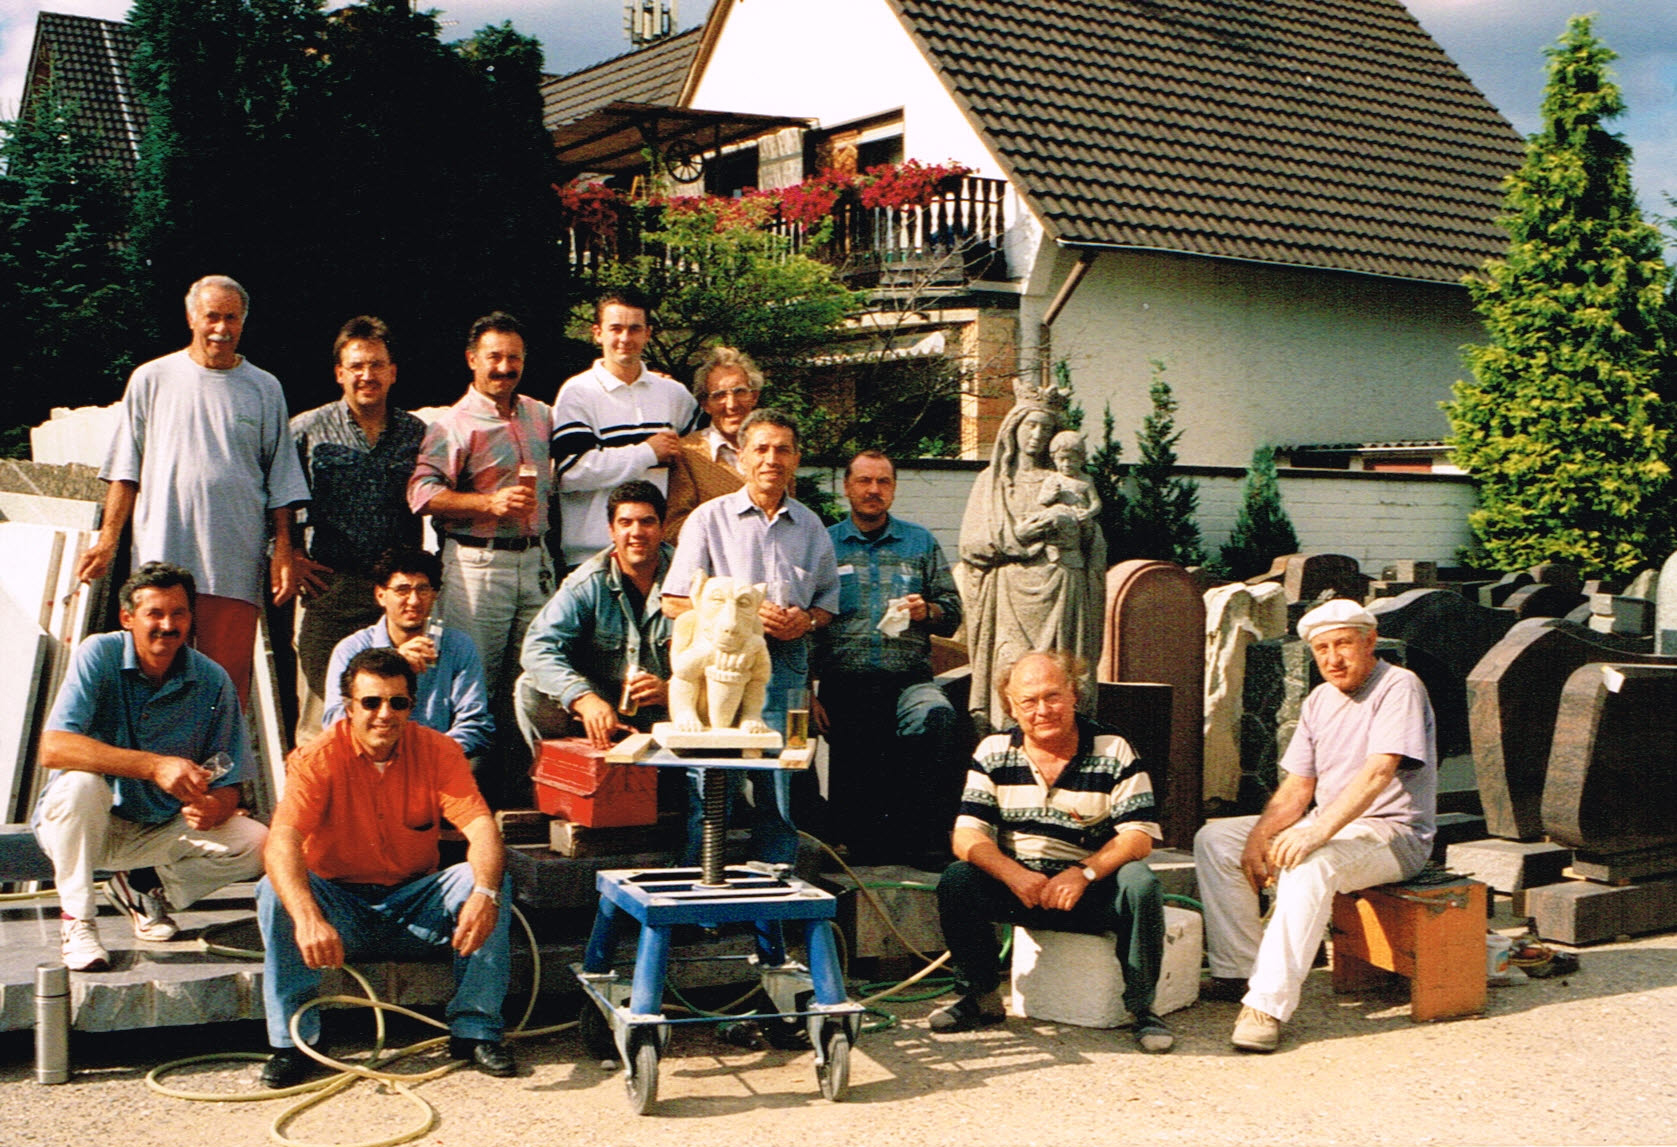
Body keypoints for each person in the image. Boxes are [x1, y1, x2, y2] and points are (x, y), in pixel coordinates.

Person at [257, 647, 515, 1088]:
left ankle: (475, 1030)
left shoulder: (439, 751)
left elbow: (482, 830)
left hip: (415, 906)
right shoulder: (316, 758)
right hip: (340, 911)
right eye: (371, 702)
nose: (384, 714)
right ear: (349, 707)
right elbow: (282, 840)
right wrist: (308, 918)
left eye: (397, 702)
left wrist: (485, 893)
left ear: (411, 706)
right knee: (273, 890)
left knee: (487, 879)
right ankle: (293, 1041)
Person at [1193, 598, 1437, 1053]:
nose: (1333, 658)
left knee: (1309, 863)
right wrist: (1259, 836)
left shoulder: (1399, 685)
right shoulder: (1320, 700)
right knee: (1216, 840)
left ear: (1369, 642)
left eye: (1343, 644)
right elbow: (1298, 787)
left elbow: (1379, 772)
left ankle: (1267, 1006)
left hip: (1393, 834)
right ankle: (1238, 972)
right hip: (1335, 827)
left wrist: (1316, 832)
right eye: (1322, 649)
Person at [76, 275, 312, 705]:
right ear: (191, 318)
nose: (221, 328)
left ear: (243, 322)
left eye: (231, 318)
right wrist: (107, 541)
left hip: (233, 565)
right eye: (212, 316)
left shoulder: (264, 388)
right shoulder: (151, 379)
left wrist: (283, 551)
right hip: (161, 559)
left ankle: (218, 752)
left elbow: (280, 478)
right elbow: (125, 470)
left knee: (224, 686)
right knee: (153, 678)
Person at [932, 651, 1172, 1053]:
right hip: (1021, 886)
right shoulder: (993, 750)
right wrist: (1013, 874)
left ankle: (1143, 1009)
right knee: (959, 879)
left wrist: (1084, 873)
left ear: (1074, 694)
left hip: (1088, 888)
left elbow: (1138, 837)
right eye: (1028, 701)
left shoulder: (1113, 748)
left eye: (1053, 696)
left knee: (1139, 883)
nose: (1042, 710)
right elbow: (967, 835)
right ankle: (980, 995)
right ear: (1011, 707)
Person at [33, 562, 269, 972]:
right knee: (82, 786)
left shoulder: (213, 680)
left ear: (191, 618)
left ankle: (142, 889)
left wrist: (214, 807)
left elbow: (230, 780)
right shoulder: (98, 653)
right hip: (85, 825)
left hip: (156, 829)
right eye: (154, 614)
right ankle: (78, 921)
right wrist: (154, 766)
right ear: (128, 618)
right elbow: (53, 748)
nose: (167, 625)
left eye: (179, 614)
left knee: (259, 843)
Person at [662, 409, 839, 865]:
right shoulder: (708, 519)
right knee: (710, 790)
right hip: (718, 673)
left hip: (784, 674)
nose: (771, 459)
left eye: (782, 450)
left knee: (779, 792)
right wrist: (741, 617)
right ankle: (699, 892)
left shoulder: (812, 527)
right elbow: (674, 601)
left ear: (796, 459)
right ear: (741, 457)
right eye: (760, 449)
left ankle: (774, 892)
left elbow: (828, 605)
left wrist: (806, 621)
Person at [408, 311, 554, 802]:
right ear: (472, 360)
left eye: (514, 358)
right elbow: (421, 494)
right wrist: (487, 503)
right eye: (494, 357)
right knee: (474, 687)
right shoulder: (454, 423)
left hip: (534, 562)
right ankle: (462, 805)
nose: (504, 367)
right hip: (478, 564)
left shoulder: (540, 415)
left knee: (532, 684)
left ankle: (517, 802)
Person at [815, 449, 963, 866]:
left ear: (894, 489)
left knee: (938, 719)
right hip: (846, 682)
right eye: (864, 481)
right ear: (847, 487)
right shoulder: (824, 544)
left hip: (909, 680)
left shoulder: (920, 542)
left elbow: (953, 611)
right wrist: (806, 691)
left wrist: (927, 610)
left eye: (883, 481)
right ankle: (865, 846)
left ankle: (929, 838)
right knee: (862, 821)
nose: (873, 490)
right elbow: (806, 620)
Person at [290, 316, 427, 742]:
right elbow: (274, 500)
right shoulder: (306, 430)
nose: (367, 375)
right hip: (328, 590)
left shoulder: (416, 433)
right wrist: (288, 555)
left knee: (389, 710)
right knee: (321, 717)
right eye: (356, 366)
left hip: (393, 596)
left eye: (377, 365)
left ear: (393, 372)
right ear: (339, 373)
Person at [957, 377, 1104, 734]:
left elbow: (1092, 538)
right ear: (1014, 427)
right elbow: (971, 545)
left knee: (1059, 675)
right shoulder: (991, 481)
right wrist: (1018, 536)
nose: (1037, 435)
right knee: (1009, 673)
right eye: (1031, 425)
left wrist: (1075, 526)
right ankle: (1004, 746)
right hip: (1010, 596)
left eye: (1046, 428)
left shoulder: (1068, 479)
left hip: (1061, 587)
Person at [515, 480, 675, 753]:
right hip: (602, 712)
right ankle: (558, 772)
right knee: (529, 687)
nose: (636, 532)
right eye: (625, 523)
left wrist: (673, 691)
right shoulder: (587, 582)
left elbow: (716, 653)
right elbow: (537, 647)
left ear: (662, 528)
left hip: (669, 712)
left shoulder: (688, 579)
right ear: (611, 530)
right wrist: (583, 698)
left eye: (647, 522)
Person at [551, 288, 698, 569]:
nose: (625, 339)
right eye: (615, 329)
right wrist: (647, 453)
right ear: (598, 333)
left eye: (634, 329)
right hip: (593, 557)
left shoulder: (673, 393)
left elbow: (706, 452)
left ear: (647, 333)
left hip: (661, 555)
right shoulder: (578, 392)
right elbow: (571, 472)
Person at [320, 549, 492, 762]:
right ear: (381, 595)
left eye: (423, 590)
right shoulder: (351, 648)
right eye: (402, 590)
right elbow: (335, 722)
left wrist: (426, 756)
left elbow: (475, 722)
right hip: (372, 763)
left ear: (435, 594)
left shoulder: (457, 646)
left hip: (435, 762)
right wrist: (391, 664)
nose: (414, 601)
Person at [663, 345, 762, 541]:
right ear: (705, 405)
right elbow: (673, 527)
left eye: (740, 392)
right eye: (719, 395)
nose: (731, 404)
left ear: (754, 396)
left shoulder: (773, 449)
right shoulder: (688, 454)